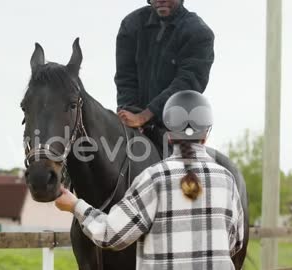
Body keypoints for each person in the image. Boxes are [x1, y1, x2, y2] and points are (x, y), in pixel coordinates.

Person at [55, 91, 244, 269]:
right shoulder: (227, 180)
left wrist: (75, 205)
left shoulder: (153, 178)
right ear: (206, 133)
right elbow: (235, 243)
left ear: (168, 134)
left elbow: (110, 234)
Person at [115, 0, 215, 156]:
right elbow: (125, 77)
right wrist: (130, 113)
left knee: (184, 177)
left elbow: (186, 84)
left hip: (178, 126)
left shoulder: (199, 33)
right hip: (134, 120)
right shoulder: (131, 24)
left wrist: (145, 116)